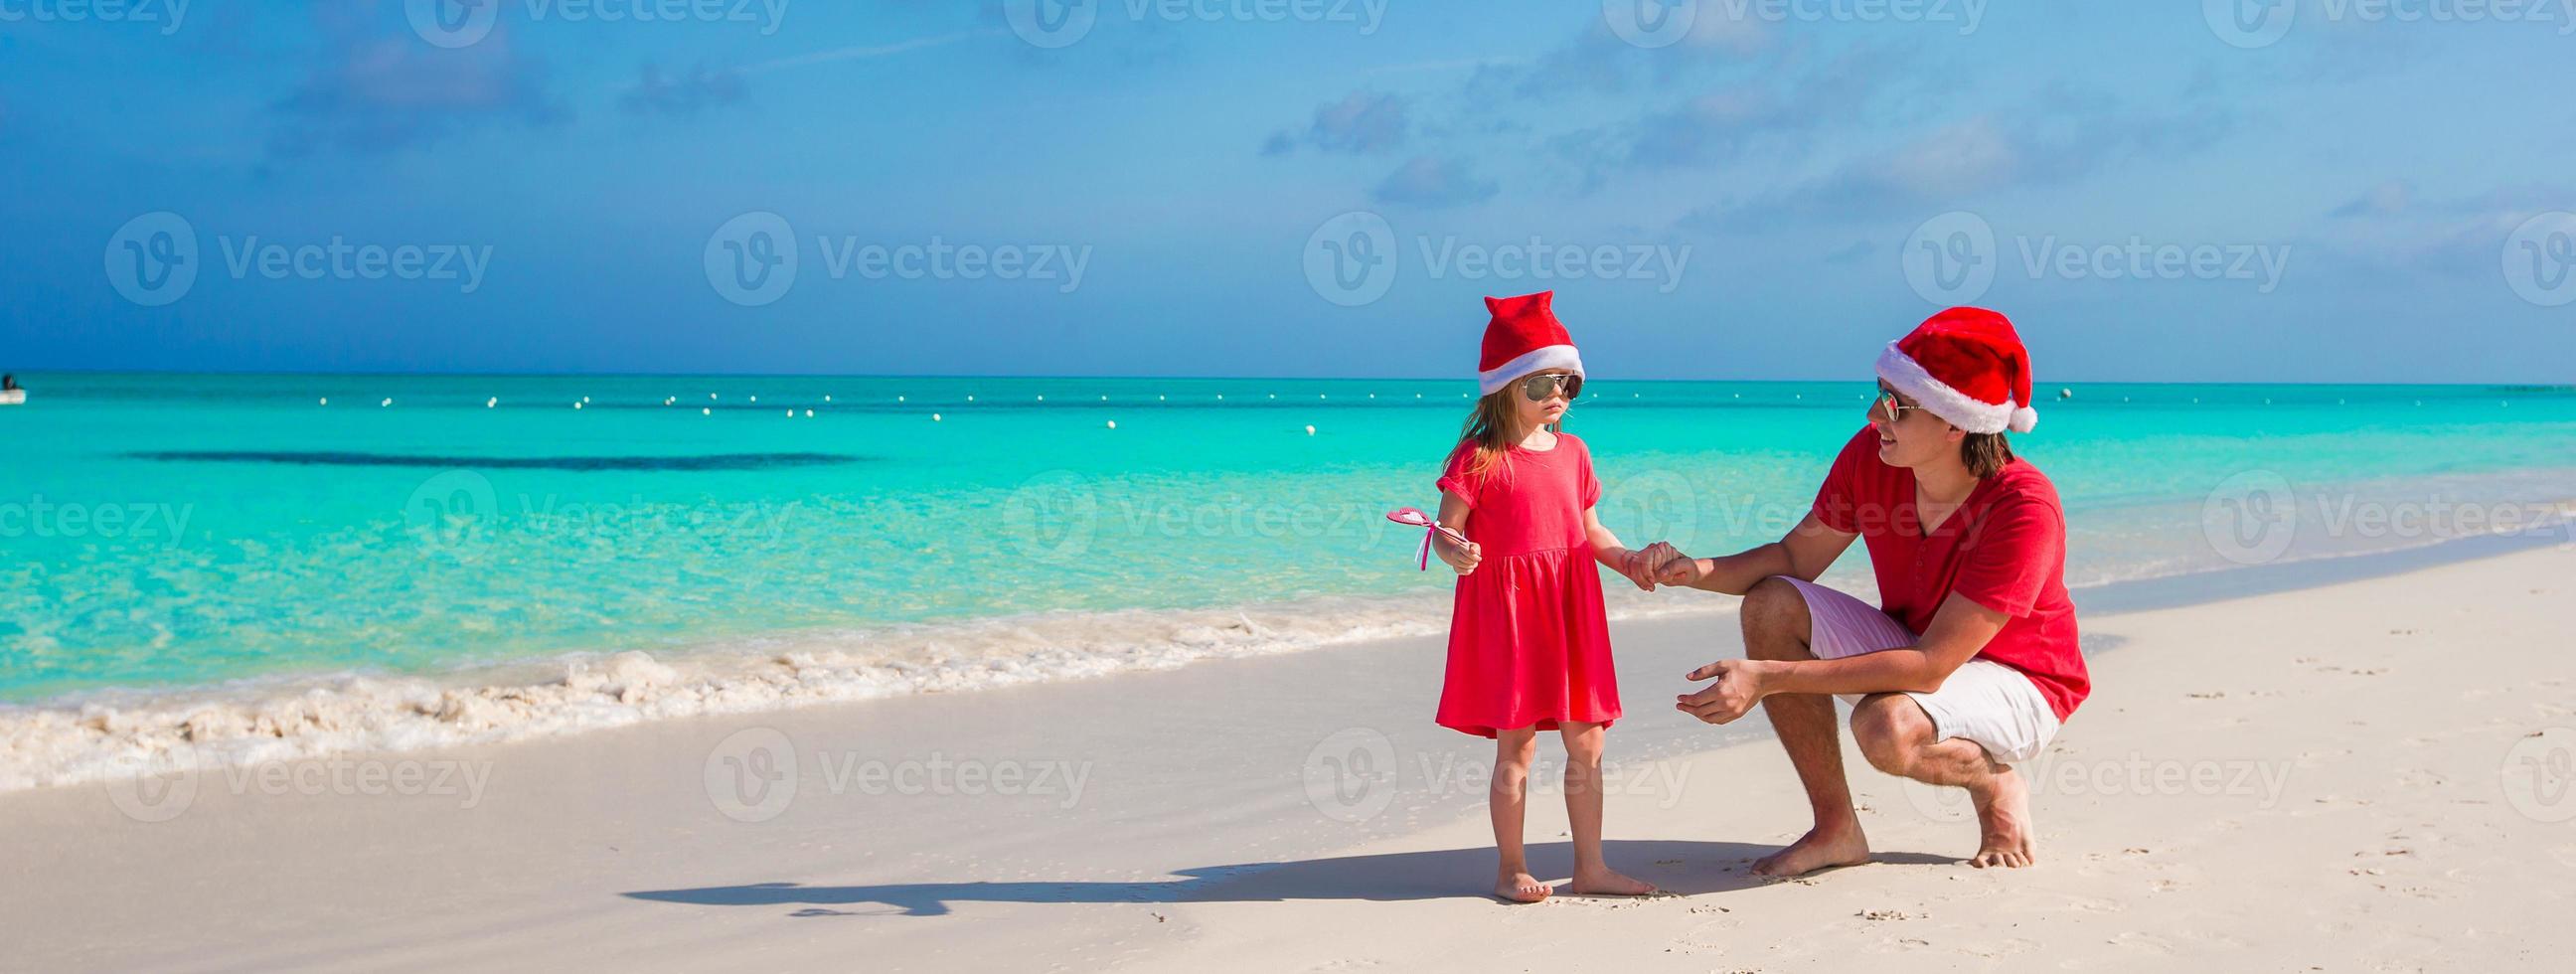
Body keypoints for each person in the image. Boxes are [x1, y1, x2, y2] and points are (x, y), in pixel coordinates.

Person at [1642, 307, 2087, 874]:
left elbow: (1929, 667)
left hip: (2022, 679)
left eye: (1897, 404)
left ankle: (1993, 780)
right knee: (1772, 601)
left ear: (1956, 423)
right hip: (1919, 644)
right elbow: (1794, 558)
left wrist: (1766, 678)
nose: (1876, 413)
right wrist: (1694, 569)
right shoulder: (1873, 456)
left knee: (1885, 729)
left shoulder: (2024, 508)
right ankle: (1836, 830)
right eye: (1880, 392)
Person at [1428, 291, 1663, 902]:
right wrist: (1457, 554)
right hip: (1511, 615)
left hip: (1571, 605)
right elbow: (1446, 531)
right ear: (1505, 389)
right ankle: (1510, 870)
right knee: (1519, 744)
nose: (1557, 395)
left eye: (1568, 383)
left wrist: (1628, 560)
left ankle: (1591, 866)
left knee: (1588, 740)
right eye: (1540, 385)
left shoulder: (1575, 453)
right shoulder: (1478, 458)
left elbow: (1590, 530)